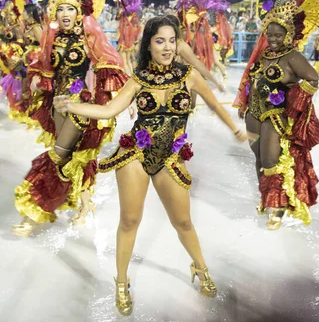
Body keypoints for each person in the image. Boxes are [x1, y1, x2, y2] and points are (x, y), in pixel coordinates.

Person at [54, 16, 247, 316]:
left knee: (182, 222)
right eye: (160, 41)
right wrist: (70, 106)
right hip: (136, 155)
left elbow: (214, 105)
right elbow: (108, 110)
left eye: (172, 40)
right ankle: (121, 281)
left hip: (171, 156)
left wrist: (235, 130)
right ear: (149, 44)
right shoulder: (139, 79)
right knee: (130, 221)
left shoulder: (189, 76)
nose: (168, 47)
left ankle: (200, 266)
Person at [12, 0, 131, 235]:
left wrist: (113, 99)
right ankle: (84, 202)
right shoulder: (54, 39)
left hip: (79, 106)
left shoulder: (88, 38)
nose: (65, 14)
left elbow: (110, 64)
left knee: (59, 155)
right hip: (57, 104)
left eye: (70, 9)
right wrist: (34, 74)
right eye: (60, 8)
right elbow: (44, 67)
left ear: (80, 13)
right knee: (73, 156)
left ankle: (35, 206)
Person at [234, 0, 319, 230]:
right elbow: (254, 80)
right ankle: (266, 198)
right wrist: (245, 103)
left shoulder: (293, 57)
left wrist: (296, 102)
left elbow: (313, 78)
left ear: (288, 34)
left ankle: (277, 209)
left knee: (270, 160)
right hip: (253, 114)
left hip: (274, 118)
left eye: (278, 35)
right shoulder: (264, 54)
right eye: (270, 34)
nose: (273, 39)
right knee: (257, 159)